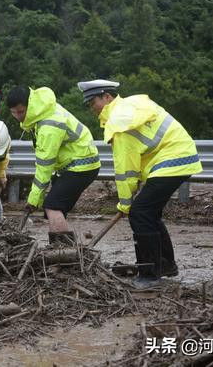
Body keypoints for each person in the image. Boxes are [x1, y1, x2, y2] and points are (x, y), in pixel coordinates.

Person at [78, 79, 203, 289]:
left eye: (93, 102)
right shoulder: (130, 106)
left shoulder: (119, 123)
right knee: (149, 213)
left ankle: (149, 275)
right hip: (180, 156)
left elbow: (126, 169)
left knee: (140, 213)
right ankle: (165, 265)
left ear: (107, 97)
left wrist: (125, 204)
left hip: (172, 159)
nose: (92, 108)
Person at [6, 86, 100, 244]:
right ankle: (62, 250)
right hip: (71, 164)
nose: (17, 117)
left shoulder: (49, 126)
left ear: (29, 105)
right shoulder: (41, 110)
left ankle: (63, 253)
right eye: (13, 113)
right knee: (55, 206)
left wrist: (34, 198)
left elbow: (44, 166)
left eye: (21, 112)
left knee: (52, 206)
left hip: (82, 165)